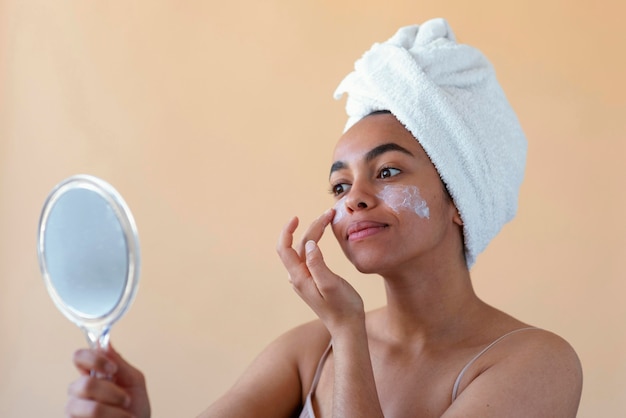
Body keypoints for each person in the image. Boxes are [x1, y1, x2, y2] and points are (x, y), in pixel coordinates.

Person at [66, 18, 583, 418]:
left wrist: (348, 332)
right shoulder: (306, 352)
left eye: (386, 172)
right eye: (340, 185)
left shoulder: (536, 362)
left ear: (460, 200)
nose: (353, 198)